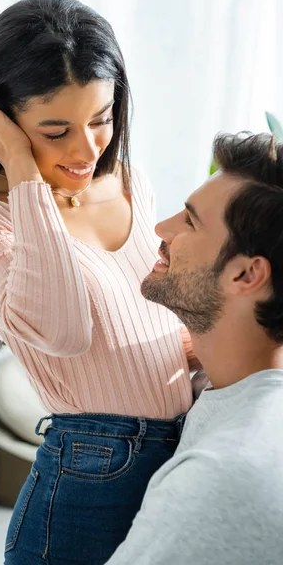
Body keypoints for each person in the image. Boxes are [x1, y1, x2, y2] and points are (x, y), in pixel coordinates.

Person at [0, 0, 198, 565]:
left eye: (101, 120)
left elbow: (159, 315)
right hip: (92, 470)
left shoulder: (128, 180)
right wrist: (23, 172)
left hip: (184, 452)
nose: (86, 150)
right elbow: (62, 331)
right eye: (55, 131)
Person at [106, 132, 283, 565]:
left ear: (246, 275)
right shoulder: (226, 393)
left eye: (189, 220)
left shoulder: (221, 478)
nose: (160, 228)